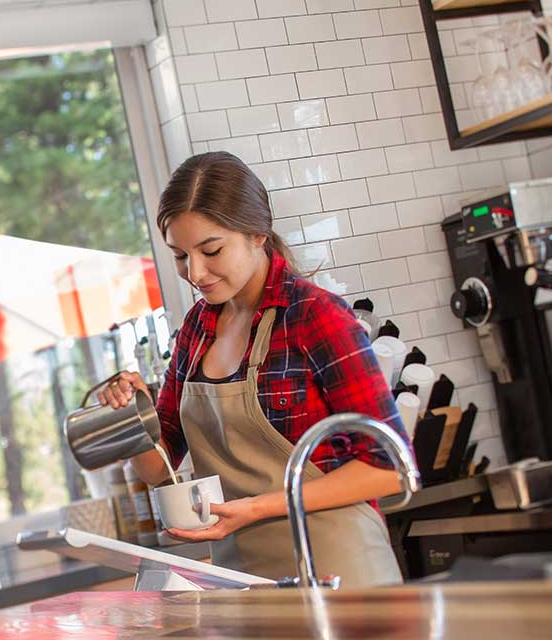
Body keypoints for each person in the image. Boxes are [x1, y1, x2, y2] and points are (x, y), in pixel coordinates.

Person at [97, 151, 409, 587]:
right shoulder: (196, 329)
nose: (196, 273)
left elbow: (389, 467)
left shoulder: (314, 316)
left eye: (211, 250)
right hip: (245, 582)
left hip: (341, 577)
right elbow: (158, 469)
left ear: (257, 234)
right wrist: (132, 417)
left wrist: (256, 507)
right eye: (180, 256)